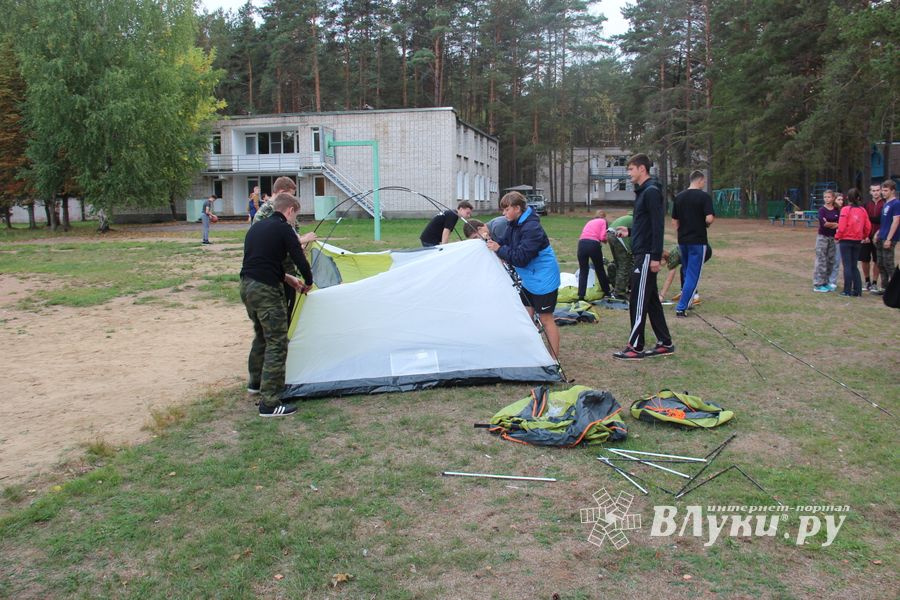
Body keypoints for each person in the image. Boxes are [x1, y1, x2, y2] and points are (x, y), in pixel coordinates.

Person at [240, 192, 313, 417]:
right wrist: (309, 281)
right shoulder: (284, 229)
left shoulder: (257, 228)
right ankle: (269, 403)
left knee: (262, 335)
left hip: (247, 286)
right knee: (277, 342)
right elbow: (298, 259)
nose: (294, 220)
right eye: (295, 215)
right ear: (290, 210)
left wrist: (288, 278)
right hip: (266, 290)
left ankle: (255, 384)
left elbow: (262, 260)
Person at [486, 192, 561, 358]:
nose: (503, 213)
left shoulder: (531, 228)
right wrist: (490, 243)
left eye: (506, 210)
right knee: (526, 317)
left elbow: (521, 258)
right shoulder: (514, 223)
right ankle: (531, 352)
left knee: (546, 319)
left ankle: (553, 360)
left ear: (517, 208)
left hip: (543, 280)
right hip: (529, 279)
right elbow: (505, 243)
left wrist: (499, 249)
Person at [613, 154, 673, 360]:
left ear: (641, 169)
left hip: (647, 254)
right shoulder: (643, 193)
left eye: (630, 169)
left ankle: (635, 346)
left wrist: (655, 256)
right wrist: (630, 232)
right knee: (650, 300)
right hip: (642, 250)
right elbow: (645, 223)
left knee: (637, 299)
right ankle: (665, 342)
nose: (629, 173)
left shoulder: (651, 192)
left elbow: (658, 226)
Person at [253, 177, 317, 317]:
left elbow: (293, 234)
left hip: (288, 269)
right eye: (291, 195)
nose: (292, 199)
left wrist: (300, 245)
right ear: (282, 192)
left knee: (288, 307)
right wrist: (302, 240)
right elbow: (268, 242)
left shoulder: (287, 210)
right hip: (274, 270)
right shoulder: (266, 212)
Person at [671, 170, 715, 317]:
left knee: (686, 270)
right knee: (693, 275)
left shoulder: (679, 197)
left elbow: (674, 221)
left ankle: (686, 302)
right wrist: (702, 224)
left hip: (683, 240)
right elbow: (709, 218)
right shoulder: (704, 197)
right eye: (703, 182)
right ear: (700, 180)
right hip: (698, 240)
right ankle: (681, 307)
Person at [834, 188, 871, 297]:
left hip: (846, 240)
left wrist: (837, 237)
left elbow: (842, 226)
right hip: (857, 240)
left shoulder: (845, 210)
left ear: (848, 198)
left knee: (847, 266)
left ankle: (847, 290)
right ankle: (858, 290)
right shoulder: (863, 210)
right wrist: (864, 236)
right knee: (854, 266)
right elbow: (867, 226)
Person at [576, 210, 612, 300]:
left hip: (581, 244)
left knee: (583, 270)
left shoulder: (590, 221)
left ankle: (581, 295)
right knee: (599, 269)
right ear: (604, 216)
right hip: (593, 245)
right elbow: (602, 236)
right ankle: (607, 292)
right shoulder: (603, 221)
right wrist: (605, 241)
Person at [872, 179, 900, 294]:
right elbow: (885, 222)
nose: (883, 192)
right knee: (881, 263)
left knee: (889, 264)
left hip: (889, 238)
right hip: (881, 236)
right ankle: (884, 288)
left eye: (885, 190)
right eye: (882, 190)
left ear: (892, 191)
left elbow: (896, 221)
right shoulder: (886, 204)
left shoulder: (896, 203)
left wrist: (889, 238)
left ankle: (896, 289)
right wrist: (878, 232)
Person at [813, 190, 840, 292]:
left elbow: (840, 223)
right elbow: (824, 224)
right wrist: (834, 224)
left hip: (833, 237)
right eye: (825, 197)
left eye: (829, 197)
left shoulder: (837, 210)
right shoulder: (822, 210)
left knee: (830, 260)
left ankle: (826, 282)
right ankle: (818, 284)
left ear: (833, 198)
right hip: (822, 237)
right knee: (821, 260)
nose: (827, 199)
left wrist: (832, 224)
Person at [860, 183, 885, 291]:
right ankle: (867, 281)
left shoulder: (885, 204)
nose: (875, 192)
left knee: (877, 260)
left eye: (877, 190)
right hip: (867, 237)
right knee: (864, 259)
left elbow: (883, 220)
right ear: (870, 192)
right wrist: (863, 235)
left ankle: (875, 282)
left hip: (879, 236)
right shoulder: (866, 205)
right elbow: (862, 220)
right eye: (873, 190)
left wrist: (870, 219)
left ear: (881, 191)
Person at [606, 213, 633, 300]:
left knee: (618, 263)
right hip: (618, 236)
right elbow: (633, 238)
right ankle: (619, 292)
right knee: (624, 265)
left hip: (609, 234)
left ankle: (616, 287)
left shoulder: (626, 218)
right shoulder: (636, 220)